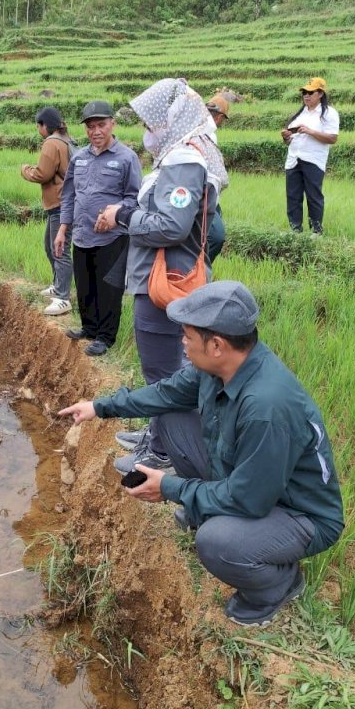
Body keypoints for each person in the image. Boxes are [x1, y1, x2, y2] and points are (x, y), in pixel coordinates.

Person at [59, 280, 344, 627]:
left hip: (299, 514)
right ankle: (213, 515)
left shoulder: (266, 407)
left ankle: (278, 586)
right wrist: (100, 407)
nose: (182, 341)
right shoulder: (219, 368)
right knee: (171, 415)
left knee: (216, 542)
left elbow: (249, 499)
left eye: (187, 336)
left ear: (217, 345)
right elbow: (165, 393)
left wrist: (170, 488)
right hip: (252, 482)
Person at [96, 79, 223, 470]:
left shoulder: (185, 161)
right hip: (163, 278)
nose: (148, 132)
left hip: (163, 284)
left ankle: (166, 453)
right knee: (167, 370)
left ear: (172, 120)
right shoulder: (182, 157)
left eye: (152, 123)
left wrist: (123, 215)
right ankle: (159, 434)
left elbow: (171, 226)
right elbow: (212, 231)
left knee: (163, 373)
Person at [54, 101, 141, 357]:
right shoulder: (79, 158)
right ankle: (89, 328)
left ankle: (105, 337)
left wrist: (114, 212)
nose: (96, 131)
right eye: (91, 127)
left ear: (112, 123)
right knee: (85, 284)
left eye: (101, 125)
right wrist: (62, 229)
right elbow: (69, 195)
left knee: (108, 289)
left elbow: (134, 197)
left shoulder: (126, 158)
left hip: (112, 238)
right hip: (81, 234)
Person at [20, 106, 76, 317]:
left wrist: (25, 170)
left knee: (59, 249)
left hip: (60, 203)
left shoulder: (51, 143)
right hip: (61, 202)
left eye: (38, 125)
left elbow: (42, 174)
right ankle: (57, 284)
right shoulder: (65, 140)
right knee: (49, 245)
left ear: (44, 125)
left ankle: (62, 297)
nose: (37, 128)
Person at [281, 78, 339, 234]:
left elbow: (332, 138)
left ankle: (316, 232)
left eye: (310, 92)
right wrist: (286, 136)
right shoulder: (299, 114)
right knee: (293, 197)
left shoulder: (329, 113)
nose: (306, 96)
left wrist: (310, 131)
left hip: (313, 160)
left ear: (320, 93)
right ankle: (295, 230)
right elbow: (289, 141)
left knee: (314, 197)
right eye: (304, 93)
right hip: (293, 160)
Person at [205, 93, 230, 263]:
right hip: (204, 194)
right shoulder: (208, 133)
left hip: (209, 194)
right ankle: (197, 272)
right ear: (220, 117)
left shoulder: (196, 127)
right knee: (216, 236)